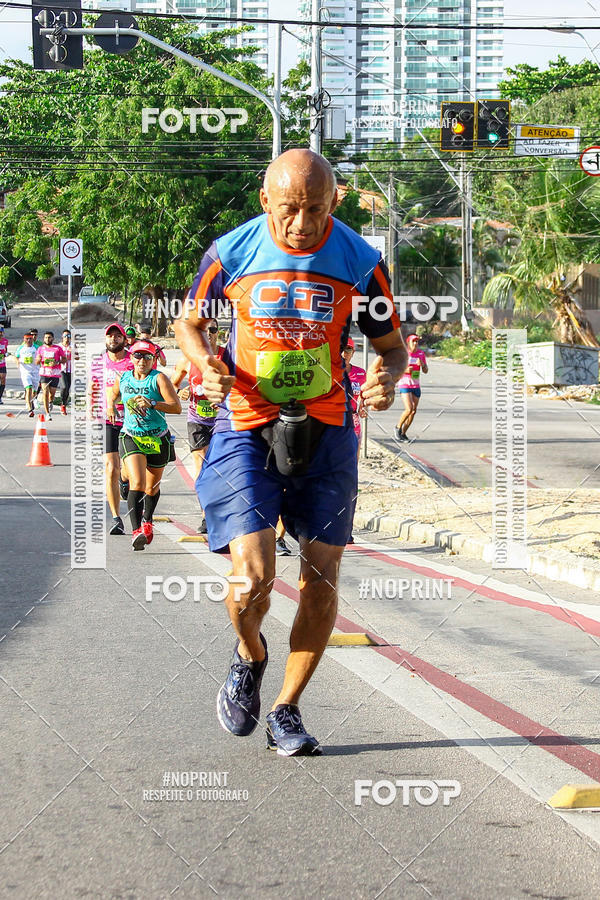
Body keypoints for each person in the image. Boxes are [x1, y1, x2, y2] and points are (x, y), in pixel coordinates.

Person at [174, 148, 406, 756]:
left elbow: (390, 345)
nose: (301, 223)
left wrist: (386, 378)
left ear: (336, 201)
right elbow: (190, 324)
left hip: (328, 431)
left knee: (322, 578)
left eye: (315, 209)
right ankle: (250, 653)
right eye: (289, 210)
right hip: (246, 426)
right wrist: (205, 366)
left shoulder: (360, 261)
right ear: (265, 202)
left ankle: (286, 708)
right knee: (252, 580)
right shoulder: (231, 253)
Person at [107, 340, 181, 550]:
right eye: (138, 356)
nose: (142, 361)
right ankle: (136, 530)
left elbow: (176, 407)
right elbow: (112, 393)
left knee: (152, 486)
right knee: (137, 483)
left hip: (157, 437)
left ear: (154, 360)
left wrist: (153, 403)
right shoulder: (124, 377)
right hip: (132, 435)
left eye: (147, 357)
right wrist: (111, 406)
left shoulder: (158, 379)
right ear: (131, 358)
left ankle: (148, 521)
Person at [171, 317, 222, 533]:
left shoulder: (227, 357)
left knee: (220, 469)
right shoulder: (187, 360)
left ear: (218, 333)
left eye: (212, 330)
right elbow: (170, 385)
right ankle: (205, 515)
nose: (208, 334)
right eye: (204, 330)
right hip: (198, 420)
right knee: (202, 467)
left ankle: (221, 512)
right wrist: (180, 391)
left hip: (223, 421)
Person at [88, 323, 133, 535]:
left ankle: (125, 481)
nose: (113, 339)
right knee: (110, 468)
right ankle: (116, 518)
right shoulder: (99, 362)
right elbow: (93, 388)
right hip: (107, 419)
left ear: (124, 339)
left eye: (117, 336)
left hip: (133, 420)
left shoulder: (134, 360)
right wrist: (91, 410)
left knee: (127, 469)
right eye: (110, 336)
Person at [394, 333, 428, 442]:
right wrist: (405, 370)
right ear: (408, 343)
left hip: (415, 384)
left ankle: (403, 433)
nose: (416, 343)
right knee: (409, 408)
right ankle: (398, 427)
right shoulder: (404, 354)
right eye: (413, 341)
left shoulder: (421, 354)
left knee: (413, 411)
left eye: (417, 341)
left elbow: (426, 371)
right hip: (404, 383)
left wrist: (422, 364)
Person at [342, 337, 367, 451]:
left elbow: (365, 395)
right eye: (340, 349)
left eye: (348, 349)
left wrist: (364, 405)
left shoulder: (361, 373)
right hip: (335, 421)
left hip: (354, 422)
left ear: (353, 353)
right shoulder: (328, 372)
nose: (343, 353)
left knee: (353, 462)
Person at [35, 332, 66, 421]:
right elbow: (37, 361)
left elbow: (64, 359)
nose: (47, 339)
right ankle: (47, 413)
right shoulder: (41, 349)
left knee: (52, 393)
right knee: (45, 391)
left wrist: (57, 362)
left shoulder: (57, 348)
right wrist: (38, 360)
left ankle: (51, 402)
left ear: (53, 338)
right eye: (46, 338)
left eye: (49, 337)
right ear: (43, 339)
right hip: (44, 373)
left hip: (55, 373)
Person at [13, 332, 41, 416]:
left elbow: (41, 357)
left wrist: (37, 360)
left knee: (34, 391)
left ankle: (31, 402)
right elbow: (16, 357)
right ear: (24, 339)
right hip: (25, 372)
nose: (28, 340)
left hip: (35, 372)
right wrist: (20, 362)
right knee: (28, 388)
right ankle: (30, 409)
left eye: (30, 339)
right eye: (27, 339)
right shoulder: (21, 348)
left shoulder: (36, 348)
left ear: (32, 339)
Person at [58, 329, 74, 415]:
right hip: (62, 369)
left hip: (70, 370)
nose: (67, 338)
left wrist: (73, 352)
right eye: (65, 336)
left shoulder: (73, 346)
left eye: (68, 336)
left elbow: (78, 357)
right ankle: (62, 402)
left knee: (67, 389)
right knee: (64, 386)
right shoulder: (59, 346)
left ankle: (64, 404)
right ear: (62, 337)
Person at [0, 325, 8, 404]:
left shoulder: (5, 341)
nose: (0, 334)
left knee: (3, 379)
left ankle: (0, 397)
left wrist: (6, 354)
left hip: (2, 364)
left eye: (1, 332)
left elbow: (5, 350)